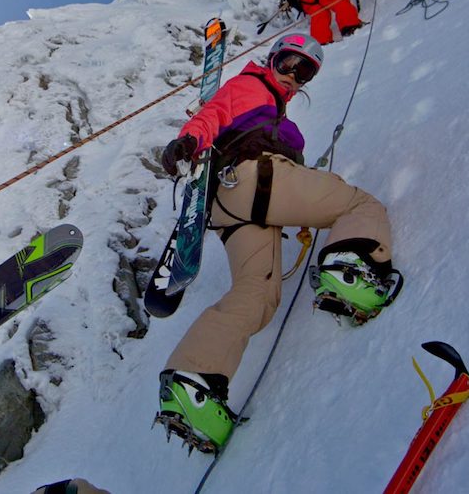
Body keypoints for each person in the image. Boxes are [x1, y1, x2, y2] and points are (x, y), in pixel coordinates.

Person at [155, 33, 397, 452]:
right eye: (288, 63)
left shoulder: (271, 103)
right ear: (271, 59)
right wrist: (189, 141)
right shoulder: (249, 85)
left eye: (305, 72)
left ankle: (193, 383)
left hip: (230, 209)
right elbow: (212, 114)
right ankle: (352, 274)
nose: (293, 76)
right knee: (360, 205)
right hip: (256, 178)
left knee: (258, 293)